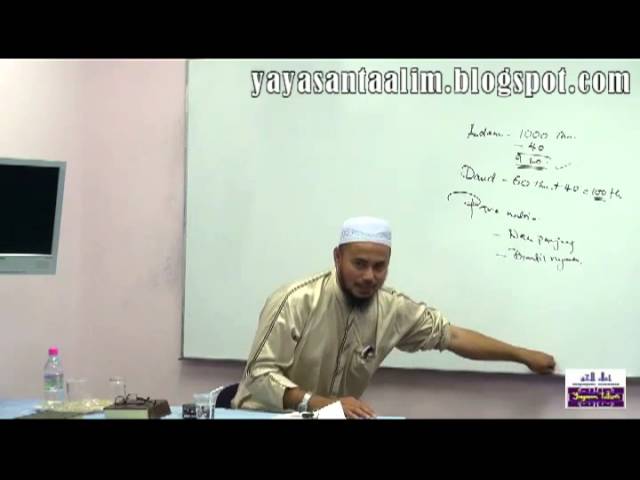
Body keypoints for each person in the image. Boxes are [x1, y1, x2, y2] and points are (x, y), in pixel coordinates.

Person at [231, 216, 556, 418]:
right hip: (262, 415)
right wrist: (320, 404)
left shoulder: (392, 309)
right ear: (338, 257)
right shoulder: (296, 300)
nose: (369, 276)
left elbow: (452, 336)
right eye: (359, 264)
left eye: (379, 266)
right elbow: (259, 375)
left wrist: (522, 355)